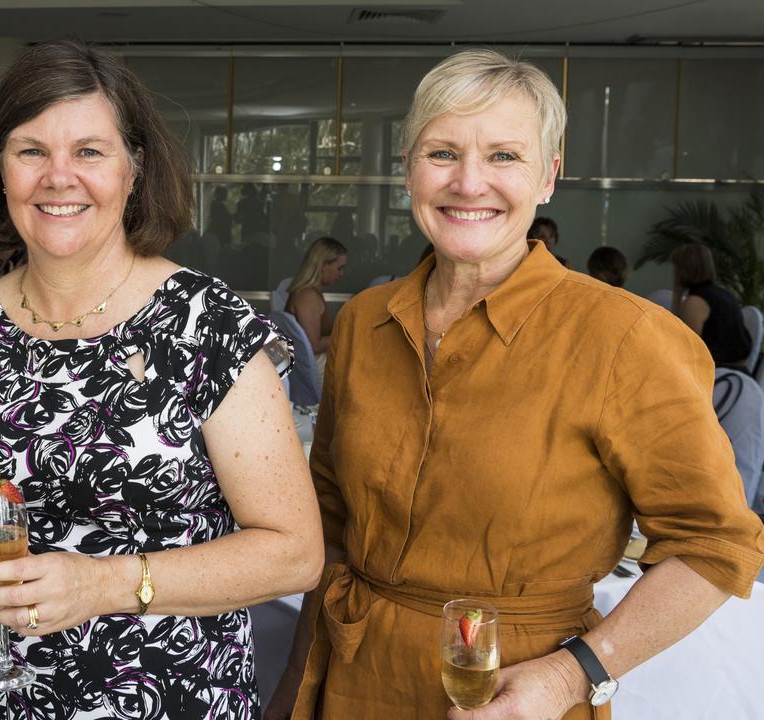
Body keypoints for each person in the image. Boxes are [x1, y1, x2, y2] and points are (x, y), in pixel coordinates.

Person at [268, 49, 763, 720]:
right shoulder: (362, 323)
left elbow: (715, 547)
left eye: (504, 156)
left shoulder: (626, 338)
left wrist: (572, 675)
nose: (470, 183)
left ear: (549, 177)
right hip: (355, 679)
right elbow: (330, 522)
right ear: (409, 168)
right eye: (442, 152)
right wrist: (297, 685)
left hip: (519, 691)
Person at [0, 39, 322, 719]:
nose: (58, 177)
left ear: (134, 170)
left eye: (89, 152)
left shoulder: (206, 322)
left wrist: (103, 584)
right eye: (31, 150)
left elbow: (295, 554)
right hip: (8, 699)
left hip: (174, 697)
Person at [671, 243, 753, 368]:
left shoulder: (695, 301)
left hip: (718, 374)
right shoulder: (724, 295)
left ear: (682, 270)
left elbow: (684, 348)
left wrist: (677, 294)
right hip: (739, 376)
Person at [284, 236, 347, 366]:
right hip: (315, 366)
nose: (342, 274)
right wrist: (347, 335)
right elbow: (314, 345)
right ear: (323, 265)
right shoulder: (307, 296)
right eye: (339, 268)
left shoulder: (310, 292)